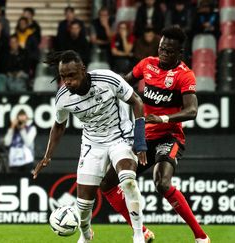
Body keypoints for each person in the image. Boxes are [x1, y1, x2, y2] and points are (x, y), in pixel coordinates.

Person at [99, 26, 210, 243]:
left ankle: (201, 237)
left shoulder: (184, 75)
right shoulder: (146, 64)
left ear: (179, 53)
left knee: (162, 183)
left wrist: (164, 119)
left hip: (170, 136)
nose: (163, 54)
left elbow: (192, 111)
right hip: (144, 137)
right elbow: (123, 83)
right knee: (107, 184)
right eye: (162, 49)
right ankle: (142, 231)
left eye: (169, 51)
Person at [32, 50, 148, 243]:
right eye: (63, 77)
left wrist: (140, 140)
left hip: (121, 137)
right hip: (92, 144)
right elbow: (59, 125)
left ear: (83, 70)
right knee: (84, 204)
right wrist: (47, 156)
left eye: (71, 75)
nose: (67, 81)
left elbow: (136, 101)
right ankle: (86, 236)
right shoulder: (63, 97)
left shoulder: (108, 79)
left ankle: (138, 235)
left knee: (128, 180)